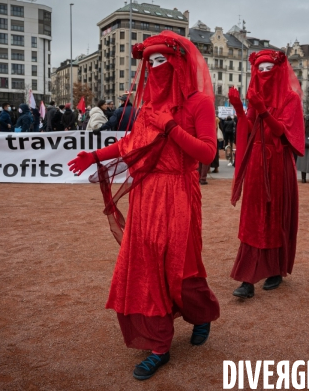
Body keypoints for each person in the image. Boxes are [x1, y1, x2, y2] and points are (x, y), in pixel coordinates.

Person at [67, 31, 220, 380]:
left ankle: (202, 313)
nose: (153, 68)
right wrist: (95, 155)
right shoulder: (147, 106)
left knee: (180, 264)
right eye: (149, 62)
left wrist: (170, 127)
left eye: (160, 61)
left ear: (178, 63)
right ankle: (159, 344)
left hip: (180, 191)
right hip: (146, 195)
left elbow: (208, 153)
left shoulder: (198, 103)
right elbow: (129, 146)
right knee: (146, 267)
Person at [227, 49, 304, 298]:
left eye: (268, 69)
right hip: (257, 166)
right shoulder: (256, 98)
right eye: (259, 69)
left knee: (275, 217)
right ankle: (247, 279)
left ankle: (276, 269)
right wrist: (240, 108)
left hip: (279, 165)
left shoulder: (291, 99)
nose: (263, 73)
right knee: (253, 219)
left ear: (278, 70)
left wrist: (262, 110)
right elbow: (249, 129)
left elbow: (283, 132)